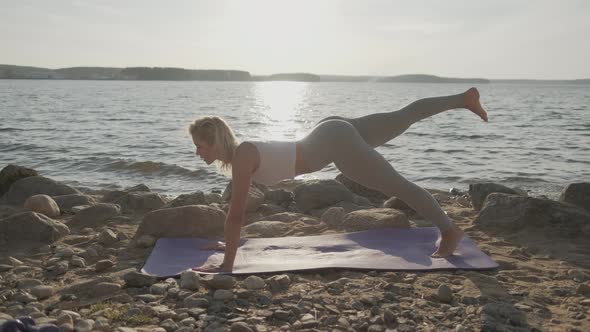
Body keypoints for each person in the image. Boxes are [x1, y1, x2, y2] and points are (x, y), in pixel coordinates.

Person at [189, 87, 488, 273]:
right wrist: (227, 243)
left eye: (199, 146)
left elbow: (237, 212)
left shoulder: (242, 156)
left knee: (396, 185)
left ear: (214, 141)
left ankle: (449, 230)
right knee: (403, 116)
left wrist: (228, 264)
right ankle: (463, 99)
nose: (197, 153)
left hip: (333, 142)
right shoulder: (242, 155)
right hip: (330, 133)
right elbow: (237, 214)